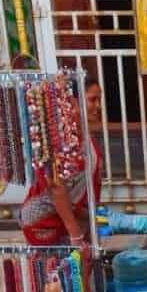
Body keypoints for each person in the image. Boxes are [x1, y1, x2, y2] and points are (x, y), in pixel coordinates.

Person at [20, 75, 103, 248]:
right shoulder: (58, 141)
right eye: (92, 100)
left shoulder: (85, 138)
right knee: (61, 273)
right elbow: (56, 187)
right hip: (47, 223)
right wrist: (75, 234)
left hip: (76, 221)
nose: (98, 106)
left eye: (99, 100)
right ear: (72, 101)